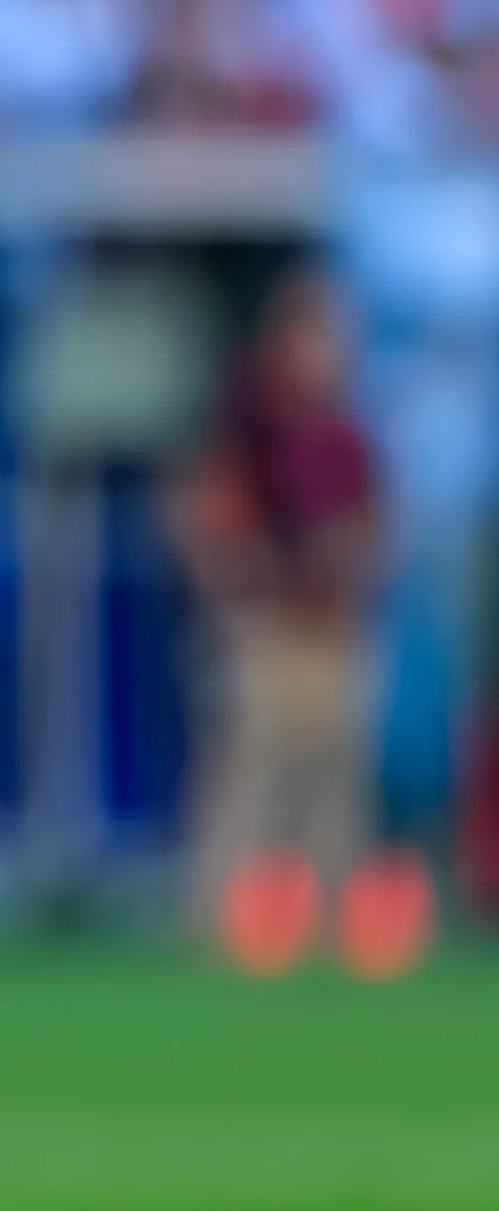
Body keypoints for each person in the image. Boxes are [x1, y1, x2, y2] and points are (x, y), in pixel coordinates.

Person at [170, 266, 430, 978]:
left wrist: (350, 556)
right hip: (265, 623)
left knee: (334, 771)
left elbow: (377, 526)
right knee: (257, 766)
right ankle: (225, 910)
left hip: (330, 621)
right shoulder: (249, 424)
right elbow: (209, 516)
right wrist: (243, 568)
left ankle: (334, 916)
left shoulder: (347, 434)